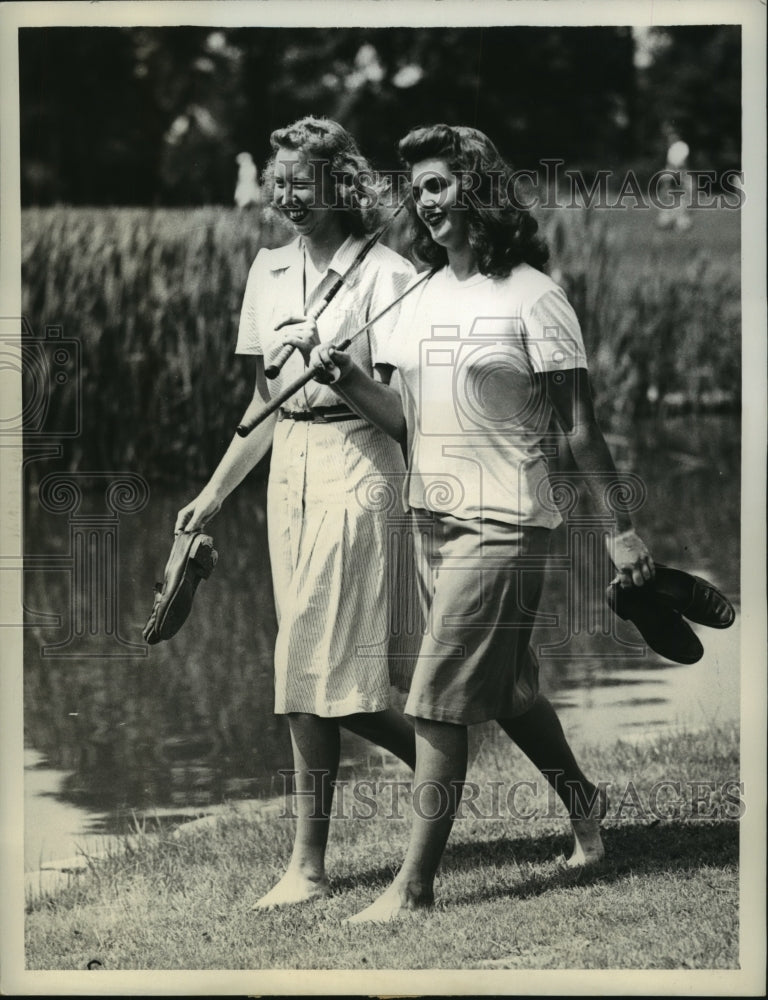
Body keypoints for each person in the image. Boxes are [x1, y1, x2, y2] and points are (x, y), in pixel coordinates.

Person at [310, 124, 655, 921]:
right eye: (416, 190)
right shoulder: (419, 296)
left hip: (507, 525)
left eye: (437, 184)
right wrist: (346, 376)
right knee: (510, 690)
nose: (423, 202)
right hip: (430, 522)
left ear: (478, 187)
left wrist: (620, 529)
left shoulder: (534, 295)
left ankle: (414, 889)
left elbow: (580, 427)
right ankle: (586, 803)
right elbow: (406, 423)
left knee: (435, 701)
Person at [175, 117, 417, 908]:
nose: (284, 195)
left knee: (300, 665)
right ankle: (440, 761)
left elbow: (405, 417)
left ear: (342, 184)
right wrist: (213, 493)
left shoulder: (388, 274)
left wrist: (338, 370)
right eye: (277, 182)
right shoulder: (268, 269)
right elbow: (264, 406)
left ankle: (307, 868)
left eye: (299, 181)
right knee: (327, 674)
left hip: (361, 463)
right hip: (290, 470)